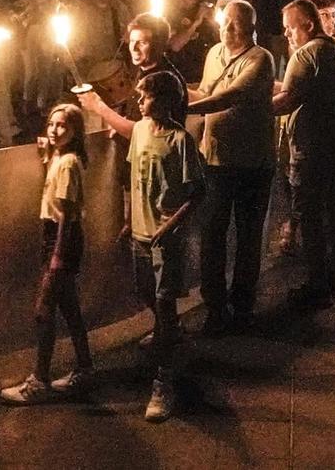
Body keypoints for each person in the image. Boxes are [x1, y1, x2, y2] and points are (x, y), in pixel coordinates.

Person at [94, 69, 203, 423]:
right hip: (141, 233)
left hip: (164, 239)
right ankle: (169, 337)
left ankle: (164, 380)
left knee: (163, 301)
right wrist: (128, 219)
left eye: (145, 96)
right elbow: (132, 174)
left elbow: (197, 192)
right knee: (145, 292)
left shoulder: (180, 140)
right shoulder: (140, 130)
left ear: (167, 100)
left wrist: (171, 225)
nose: (139, 102)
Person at [184, 0, 276, 335]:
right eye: (225, 22)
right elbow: (207, 93)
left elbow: (231, 96)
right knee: (213, 236)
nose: (228, 29)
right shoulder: (213, 56)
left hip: (252, 162)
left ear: (251, 27)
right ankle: (215, 306)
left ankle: (242, 306)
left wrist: (187, 105)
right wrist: (178, 89)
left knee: (249, 237)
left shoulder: (261, 59)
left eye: (237, 23)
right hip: (216, 162)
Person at [0, 103, 94, 405]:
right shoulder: (60, 159)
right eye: (51, 124)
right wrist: (45, 157)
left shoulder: (66, 163)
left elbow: (65, 214)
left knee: (43, 311)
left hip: (60, 238)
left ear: (76, 131)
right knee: (68, 307)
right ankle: (85, 367)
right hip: (57, 237)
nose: (54, 130)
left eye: (62, 125)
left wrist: (57, 255)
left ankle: (39, 380)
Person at [273, 0, 335, 307]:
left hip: (314, 151)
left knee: (310, 216)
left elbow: (286, 100)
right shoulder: (334, 50)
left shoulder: (307, 53)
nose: (286, 35)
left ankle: (317, 281)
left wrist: (249, 107)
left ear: (307, 26)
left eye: (289, 29)